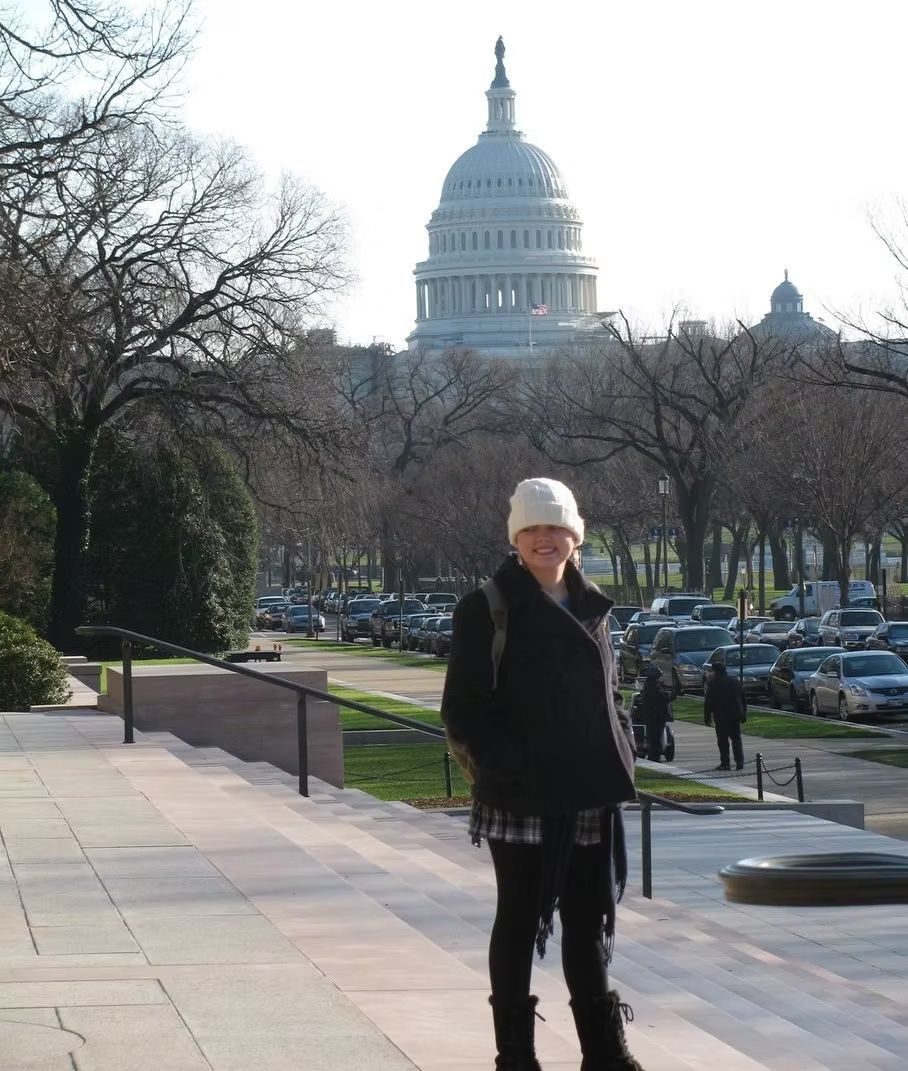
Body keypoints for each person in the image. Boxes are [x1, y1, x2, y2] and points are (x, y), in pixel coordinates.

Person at [442, 477, 644, 1071]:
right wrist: (510, 766)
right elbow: (463, 707)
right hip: (520, 793)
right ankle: (516, 1058)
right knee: (518, 917)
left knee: (587, 922)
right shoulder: (486, 607)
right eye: (531, 528)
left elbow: (611, 692)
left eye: (555, 527)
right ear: (515, 538)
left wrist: (623, 746)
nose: (543, 539)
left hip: (588, 792)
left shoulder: (592, 605)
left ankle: (604, 1054)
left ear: (575, 536)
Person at [703, 653, 747, 771]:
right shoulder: (735, 682)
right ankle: (739, 762)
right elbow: (743, 699)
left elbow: (708, 702)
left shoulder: (712, 683)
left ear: (715, 671)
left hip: (721, 716)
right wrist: (743, 714)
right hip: (735, 715)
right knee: (736, 738)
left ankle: (725, 763)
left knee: (722, 741)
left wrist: (707, 717)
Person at [638, 665, 671, 762]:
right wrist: (673, 694)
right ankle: (654, 757)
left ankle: (653, 755)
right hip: (656, 716)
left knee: (652, 736)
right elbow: (665, 697)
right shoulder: (655, 687)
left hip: (650, 715)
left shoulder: (648, 685)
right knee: (655, 737)